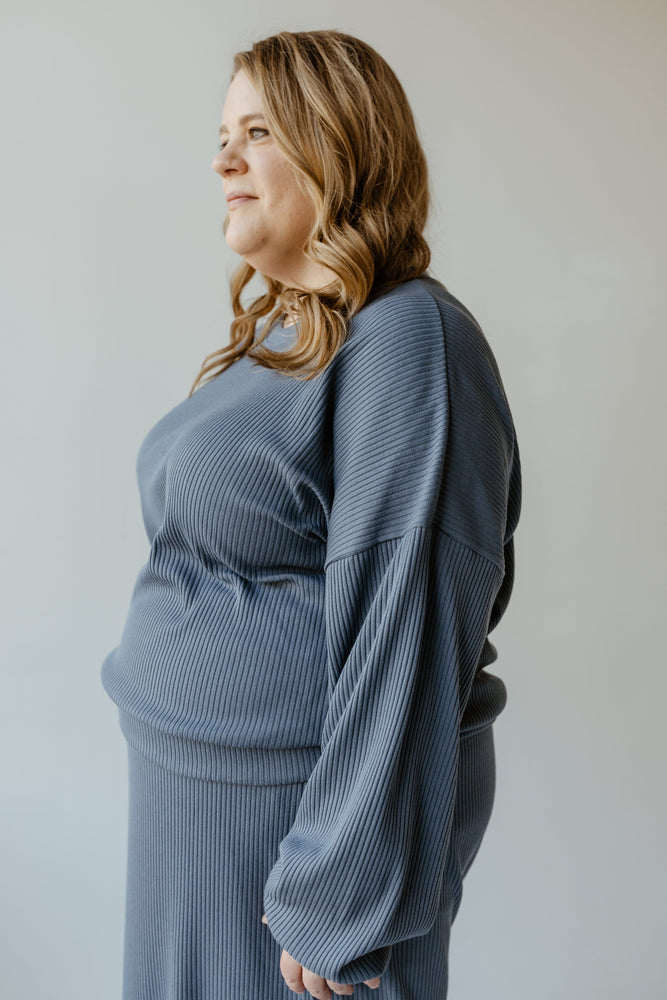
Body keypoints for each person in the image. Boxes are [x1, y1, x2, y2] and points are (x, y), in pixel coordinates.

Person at [100, 28, 522, 1000]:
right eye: (221, 134)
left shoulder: (406, 338)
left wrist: (341, 891)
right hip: (197, 813)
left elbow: (408, 623)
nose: (222, 160)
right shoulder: (291, 338)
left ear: (337, 143)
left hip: (292, 841)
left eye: (257, 131)